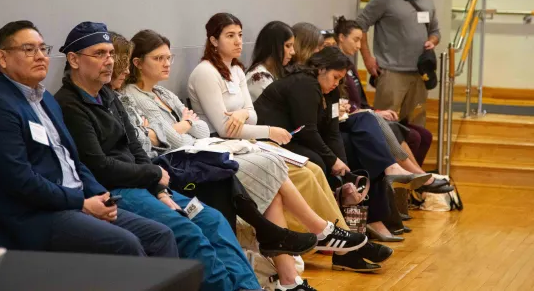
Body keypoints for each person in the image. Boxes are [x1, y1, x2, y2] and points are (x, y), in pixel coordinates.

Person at [123, 29, 377, 288]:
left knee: (296, 170)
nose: (167, 63)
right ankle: (321, 231)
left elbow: (198, 127)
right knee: (275, 164)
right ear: (137, 63)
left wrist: (181, 127)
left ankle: (290, 279)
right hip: (183, 161)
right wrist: (181, 126)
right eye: (158, 58)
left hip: (203, 147)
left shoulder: (165, 94)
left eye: (169, 57)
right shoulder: (132, 96)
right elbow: (155, 140)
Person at [55, 22, 261, 291]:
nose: (110, 61)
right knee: (188, 232)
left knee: (212, 220)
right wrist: (152, 175)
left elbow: (136, 147)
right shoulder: (68, 105)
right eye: (99, 54)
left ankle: (249, 288)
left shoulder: (107, 95)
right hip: (116, 190)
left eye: (110, 53)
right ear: (74, 60)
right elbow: (99, 166)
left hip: (146, 183)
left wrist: (161, 190)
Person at [187, 14, 391, 275]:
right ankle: (341, 243)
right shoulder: (205, 72)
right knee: (305, 173)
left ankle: (340, 239)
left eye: (239, 34)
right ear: (213, 40)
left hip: (248, 141)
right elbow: (225, 129)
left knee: (314, 169)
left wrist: (241, 116)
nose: (238, 41)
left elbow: (251, 113)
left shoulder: (236, 70)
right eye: (230, 35)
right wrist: (268, 130)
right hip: (223, 147)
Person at [0, 21, 178, 258]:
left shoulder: (45, 98)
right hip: (35, 215)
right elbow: (20, 181)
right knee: (125, 244)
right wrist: (80, 202)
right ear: (3, 58)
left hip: (74, 201)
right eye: (29, 50)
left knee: (160, 235)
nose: (40, 56)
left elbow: (73, 160)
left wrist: (101, 195)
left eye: (43, 49)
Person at [287, 23, 432, 242]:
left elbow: (333, 123)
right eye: (318, 46)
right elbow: (308, 126)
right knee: (364, 138)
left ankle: (383, 207)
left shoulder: (331, 77)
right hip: (293, 137)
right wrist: (336, 161)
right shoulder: (301, 79)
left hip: (325, 129)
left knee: (371, 134)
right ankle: (370, 216)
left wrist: (342, 166)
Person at [334, 16, 453, 194]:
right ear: (341, 38)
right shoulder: (336, 68)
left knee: (423, 135)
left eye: (360, 40)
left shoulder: (349, 65)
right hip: (349, 118)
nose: (359, 46)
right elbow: (344, 104)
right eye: (356, 40)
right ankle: (418, 179)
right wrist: (370, 112)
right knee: (395, 129)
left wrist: (376, 110)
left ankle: (412, 184)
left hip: (359, 114)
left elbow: (360, 102)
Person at [356, 0, 441, 126]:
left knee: (417, 125)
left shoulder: (427, 1)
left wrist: (432, 41)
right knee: (385, 126)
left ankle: (410, 154)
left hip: (420, 74)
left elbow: (435, 31)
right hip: (391, 74)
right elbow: (360, 25)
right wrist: (367, 59)